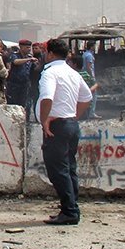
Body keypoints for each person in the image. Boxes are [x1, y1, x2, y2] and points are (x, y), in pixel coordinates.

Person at [37, 38, 93, 226]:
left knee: (58, 170)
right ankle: (70, 207)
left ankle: (70, 211)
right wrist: (74, 115)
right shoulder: (72, 73)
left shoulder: (50, 73)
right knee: (69, 168)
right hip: (70, 124)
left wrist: (44, 120)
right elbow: (87, 97)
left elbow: (46, 97)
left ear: (50, 53)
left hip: (57, 126)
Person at [6, 40, 39, 117]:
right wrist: (28, 60)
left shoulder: (30, 57)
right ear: (21, 47)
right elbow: (15, 62)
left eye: (29, 47)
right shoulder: (15, 55)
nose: (29, 49)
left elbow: (34, 69)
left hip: (25, 85)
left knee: (24, 105)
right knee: (13, 105)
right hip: (14, 85)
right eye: (27, 47)